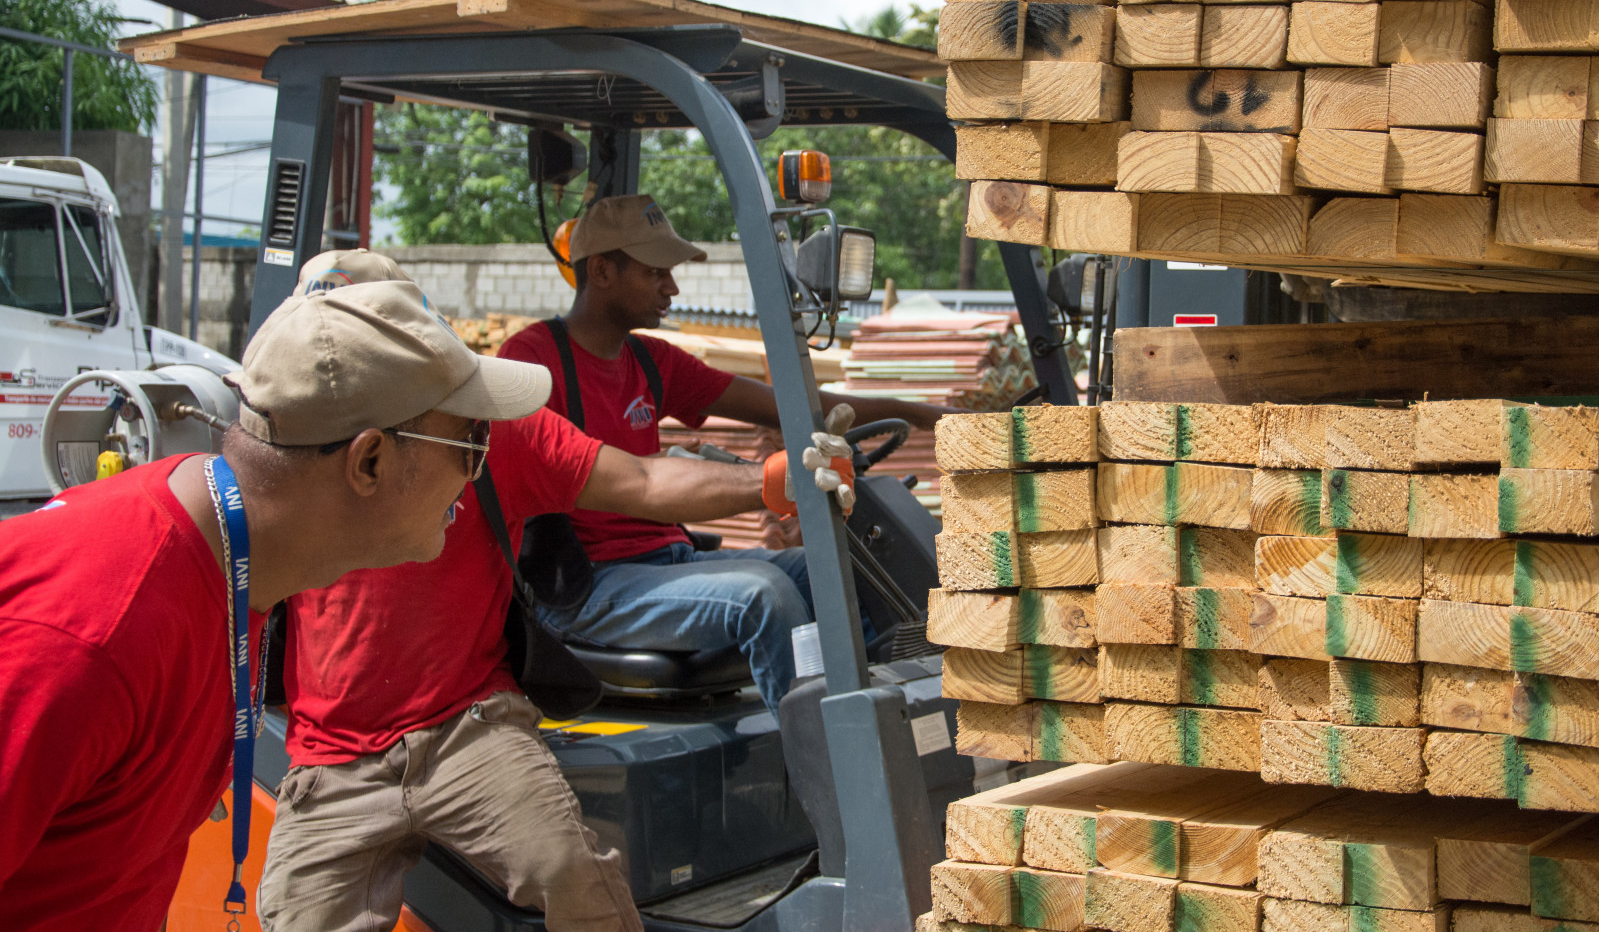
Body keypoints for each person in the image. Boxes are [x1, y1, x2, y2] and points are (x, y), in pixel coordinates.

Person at [255, 251, 839, 932]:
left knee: (573, 875)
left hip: (466, 730)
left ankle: (844, 798)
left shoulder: (490, 428)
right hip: (334, 760)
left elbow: (642, 482)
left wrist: (773, 480)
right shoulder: (281, 466)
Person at [0, 280, 552, 931]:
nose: (477, 473)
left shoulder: (228, 566)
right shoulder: (90, 638)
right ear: (369, 461)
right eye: (471, 444)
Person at [497, 194, 954, 712]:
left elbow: (792, 406)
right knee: (764, 595)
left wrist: (918, 413)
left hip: (668, 560)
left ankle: (886, 718)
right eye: (655, 273)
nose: (672, 287)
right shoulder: (531, 363)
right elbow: (638, 484)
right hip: (589, 586)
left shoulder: (650, 360)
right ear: (601, 270)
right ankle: (829, 754)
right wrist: (775, 479)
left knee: (855, 571)